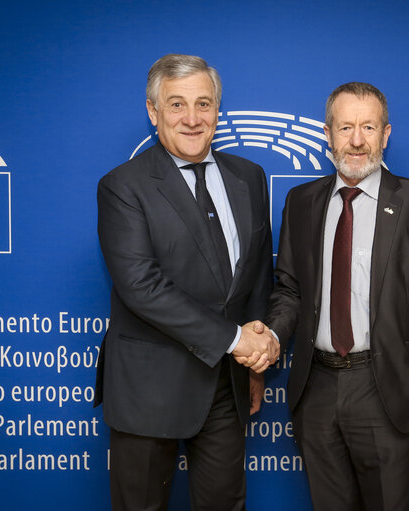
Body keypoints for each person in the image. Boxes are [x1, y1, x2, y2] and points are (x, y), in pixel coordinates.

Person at [94, 54, 279, 511]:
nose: (192, 119)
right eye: (176, 105)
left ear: (219, 109)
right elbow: (142, 285)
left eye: (204, 103)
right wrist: (236, 340)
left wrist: (254, 366)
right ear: (153, 113)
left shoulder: (250, 178)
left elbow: (255, 276)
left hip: (225, 386)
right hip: (148, 387)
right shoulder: (123, 186)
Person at [263, 82, 409, 510]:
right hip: (315, 388)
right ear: (327, 134)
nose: (356, 140)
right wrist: (273, 337)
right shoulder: (301, 202)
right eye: (346, 127)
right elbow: (290, 289)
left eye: (368, 127)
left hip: (385, 390)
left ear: (385, 135)